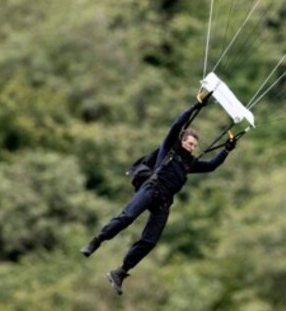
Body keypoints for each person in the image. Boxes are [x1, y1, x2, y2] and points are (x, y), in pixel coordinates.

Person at [79, 95, 237, 295]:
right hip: (151, 188)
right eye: (189, 143)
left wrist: (226, 150)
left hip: (163, 202)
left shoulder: (190, 163)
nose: (192, 147)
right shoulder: (170, 147)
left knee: (150, 241)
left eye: (194, 146)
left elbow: (212, 166)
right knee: (127, 217)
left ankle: (120, 272)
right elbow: (177, 124)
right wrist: (196, 106)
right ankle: (97, 241)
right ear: (182, 141)